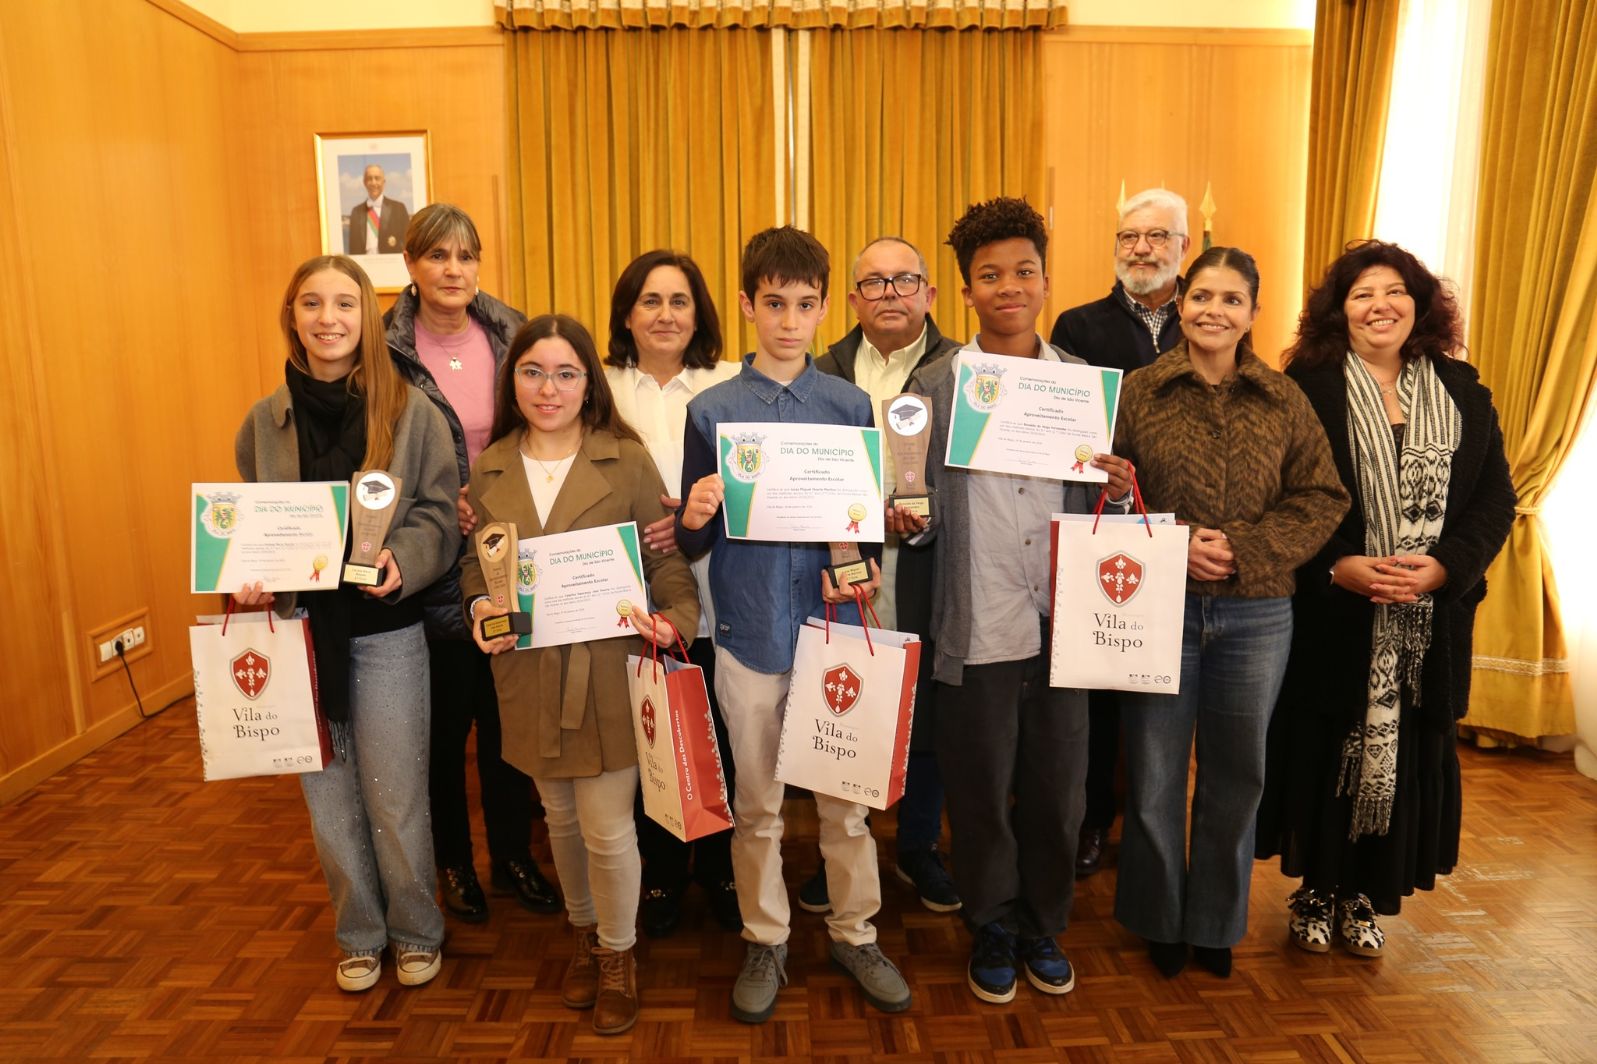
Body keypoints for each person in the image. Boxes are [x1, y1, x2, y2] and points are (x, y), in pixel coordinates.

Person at [676, 226, 912, 1023]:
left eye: (804, 305)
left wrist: (867, 555)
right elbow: (692, 536)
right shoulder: (712, 410)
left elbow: (862, 524)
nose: (787, 321)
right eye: (772, 304)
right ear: (746, 305)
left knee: (846, 802)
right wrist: (697, 513)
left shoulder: (850, 405)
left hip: (833, 628)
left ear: (821, 309)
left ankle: (854, 931)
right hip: (746, 632)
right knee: (758, 803)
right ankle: (765, 936)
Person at [900, 197, 1130, 1005]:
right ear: (965, 291)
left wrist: (1119, 490)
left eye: (1022, 271)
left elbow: (1110, 517)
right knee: (979, 782)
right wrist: (904, 515)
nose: (1008, 286)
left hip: (1065, 623)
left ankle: (1044, 921)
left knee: (1058, 785)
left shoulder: (1086, 389)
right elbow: (914, 520)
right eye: (989, 275)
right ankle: (991, 919)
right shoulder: (933, 387)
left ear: (1043, 279)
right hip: (979, 617)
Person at [1256, 240, 1516, 957]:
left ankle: (1364, 896)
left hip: (1427, 622)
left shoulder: (1463, 391)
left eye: (1394, 291)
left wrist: (1441, 570)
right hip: (1331, 617)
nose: (1380, 305)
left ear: (1419, 304)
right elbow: (1276, 497)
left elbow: (1495, 500)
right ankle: (1315, 891)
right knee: (1322, 751)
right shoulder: (1305, 389)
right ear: (1338, 312)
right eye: (1362, 293)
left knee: (1407, 757)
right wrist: (1334, 566)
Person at [1111, 246, 1349, 980]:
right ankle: (1158, 918)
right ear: (1180, 303)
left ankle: (1215, 921)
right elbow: (1108, 498)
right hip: (1156, 607)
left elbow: (1321, 498)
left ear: (1252, 312)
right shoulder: (1137, 393)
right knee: (1151, 772)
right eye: (1201, 296)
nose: (1214, 310)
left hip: (1256, 616)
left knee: (1235, 774)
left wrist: (1241, 548)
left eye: (1231, 299)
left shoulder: (1282, 398)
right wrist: (1174, 544)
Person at [462, 314, 699, 1036]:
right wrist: (478, 605)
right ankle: (582, 932)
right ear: (513, 380)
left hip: (605, 674)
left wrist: (675, 621)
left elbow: (664, 562)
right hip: (528, 674)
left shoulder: (622, 460)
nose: (548, 387)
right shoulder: (492, 465)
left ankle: (618, 955)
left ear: (588, 383)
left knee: (605, 828)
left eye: (566, 373)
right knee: (558, 820)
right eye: (533, 371)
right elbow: (479, 562)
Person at [234, 254, 461, 991]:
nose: (327, 318)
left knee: (395, 798)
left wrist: (405, 557)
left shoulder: (409, 412)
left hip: (386, 634)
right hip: (302, 636)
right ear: (291, 317)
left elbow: (436, 512)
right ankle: (359, 933)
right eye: (310, 303)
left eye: (343, 303)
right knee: (328, 801)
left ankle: (417, 928)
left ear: (366, 317)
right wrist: (247, 584)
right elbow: (251, 526)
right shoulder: (263, 425)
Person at [383, 203, 559, 924]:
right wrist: (436, 501)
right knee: (444, 721)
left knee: (507, 716)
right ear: (411, 266)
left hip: (509, 547)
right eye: (436, 256)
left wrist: (494, 497)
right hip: (428, 553)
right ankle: (455, 860)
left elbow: (544, 424)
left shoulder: (514, 331)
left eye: (465, 256)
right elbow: (377, 446)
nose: (452, 270)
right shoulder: (385, 346)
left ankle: (514, 853)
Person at [802, 236, 962, 915]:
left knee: (927, 715)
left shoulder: (964, 373)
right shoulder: (817, 374)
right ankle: (845, 848)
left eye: (904, 281)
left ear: (929, 293)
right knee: (846, 708)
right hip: (842, 580)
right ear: (851, 300)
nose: (889, 294)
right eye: (874, 283)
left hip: (935, 571)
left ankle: (919, 847)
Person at [1049, 188, 1192, 877]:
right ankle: (1092, 821)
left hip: (1189, 533)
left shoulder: (1210, 315)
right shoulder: (1078, 327)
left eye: (1157, 237)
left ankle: (1156, 824)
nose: (1141, 248)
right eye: (1129, 236)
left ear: (1182, 248)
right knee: (1103, 682)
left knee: (1167, 689)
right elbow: (1068, 433)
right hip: (1107, 530)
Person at [602, 249, 742, 937]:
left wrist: (693, 514)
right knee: (648, 738)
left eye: (679, 300)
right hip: (629, 599)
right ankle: (660, 873)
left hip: (717, 594)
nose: (664, 314)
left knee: (714, 737)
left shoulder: (731, 381)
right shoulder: (597, 385)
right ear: (626, 314)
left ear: (700, 312)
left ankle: (718, 867)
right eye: (649, 301)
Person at [347, 163, 410, 255]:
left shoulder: (399, 208)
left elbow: (407, 243)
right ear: (364, 182)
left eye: (377, 178)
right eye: (369, 179)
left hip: (391, 264)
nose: (373, 182)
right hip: (363, 265)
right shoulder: (356, 212)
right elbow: (353, 247)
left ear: (383, 182)